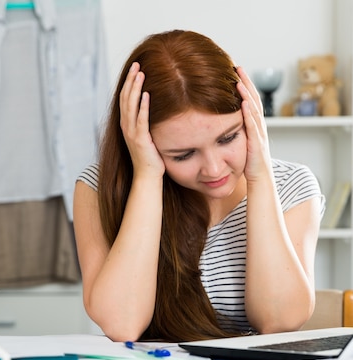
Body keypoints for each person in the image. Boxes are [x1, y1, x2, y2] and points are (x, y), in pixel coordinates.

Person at [73, 30, 324, 343]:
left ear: (251, 119)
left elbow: (279, 321)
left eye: (228, 137)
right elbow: (122, 325)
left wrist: (259, 176)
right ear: (140, 142)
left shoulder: (292, 186)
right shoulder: (99, 190)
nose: (214, 169)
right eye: (183, 154)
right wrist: (148, 177)